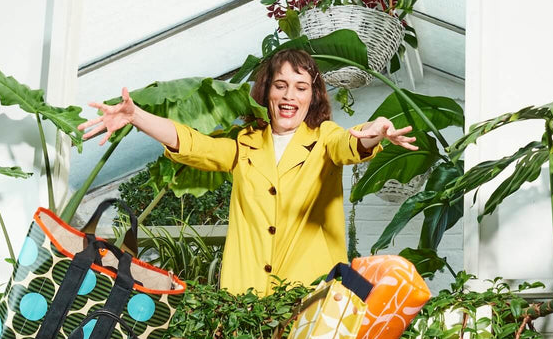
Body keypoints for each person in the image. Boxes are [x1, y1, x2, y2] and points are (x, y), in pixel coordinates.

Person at [79, 50, 417, 296]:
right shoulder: (245, 144)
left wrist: (376, 130)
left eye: (301, 87)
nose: (289, 95)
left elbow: (352, 144)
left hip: (311, 297)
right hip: (246, 298)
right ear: (266, 91)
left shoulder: (325, 139)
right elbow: (195, 145)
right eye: (280, 85)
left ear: (313, 97)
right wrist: (136, 116)